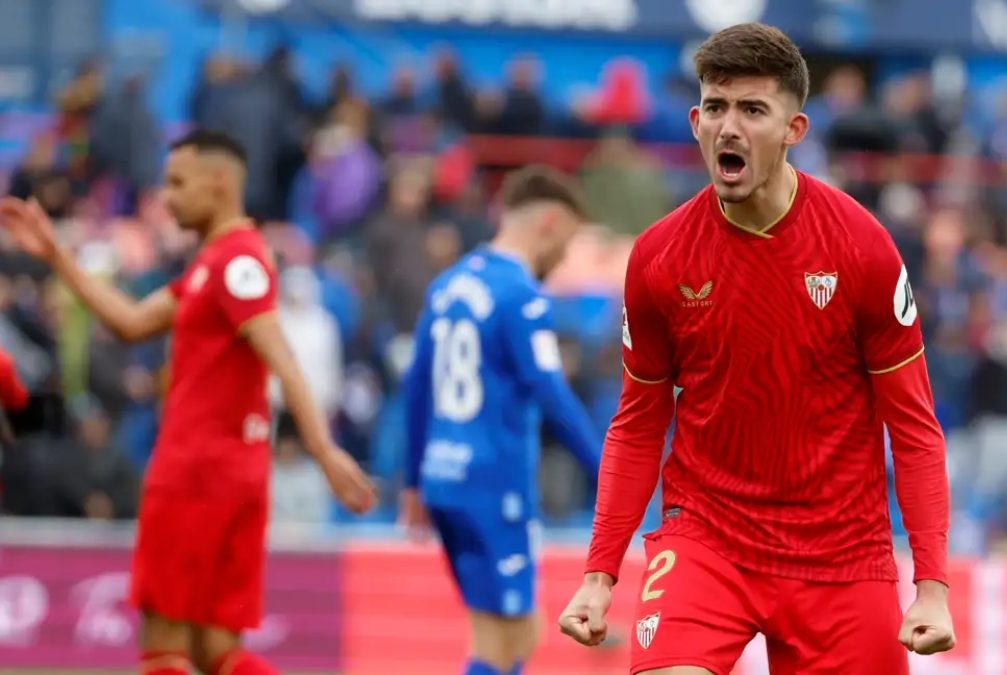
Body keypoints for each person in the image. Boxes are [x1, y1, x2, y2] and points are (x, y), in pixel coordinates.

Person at [557, 23, 954, 674]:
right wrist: (600, 573)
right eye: (715, 108)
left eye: (752, 110)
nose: (729, 127)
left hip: (840, 554)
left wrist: (932, 586)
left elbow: (913, 427)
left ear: (795, 129)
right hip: (708, 538)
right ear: (694, 121)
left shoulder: (861, 248)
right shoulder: (659, 258)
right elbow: (636, 424)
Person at [0, 129, 376, 675]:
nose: (166, 196)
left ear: (220, 182)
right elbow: (130, 322)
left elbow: (280, 355)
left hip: (198, 470)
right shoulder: (213, 264)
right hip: (229, 470)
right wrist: (57, 254)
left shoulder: (236, 264)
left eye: (177, 182)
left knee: (162, 645)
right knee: (215, 652)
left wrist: (323, 452)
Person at [403, 165, 603, 675]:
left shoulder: (448, 285)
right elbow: (551, 394)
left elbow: (416, 387)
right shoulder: (520, 293)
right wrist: (610, 471)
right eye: (570, 240)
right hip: (495, 487)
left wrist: (410, 481)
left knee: (504, 631)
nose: (562, 258)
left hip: (443, 479)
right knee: (510, 638)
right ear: (551, 223)